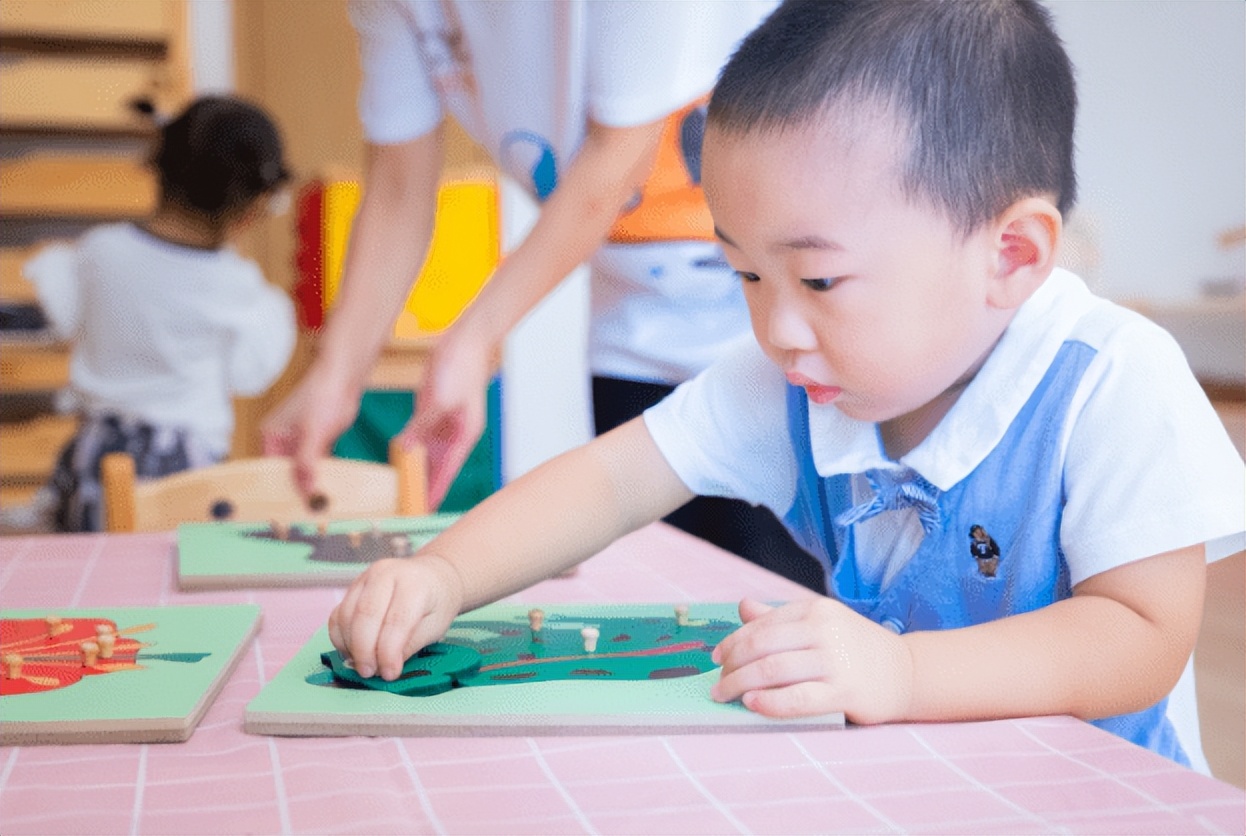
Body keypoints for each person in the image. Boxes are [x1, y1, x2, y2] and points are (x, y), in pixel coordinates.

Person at [324, 0, 1246, 772]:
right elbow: (611, 481)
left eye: (818, 280)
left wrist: (903, 674)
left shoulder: (1108, 381)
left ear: (1009, 253)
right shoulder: (797, 382)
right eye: (748, 276)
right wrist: (445, 573)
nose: (776, 327)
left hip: (1103, 799)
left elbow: (1139, 638)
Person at [260, 0, 826, 591]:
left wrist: (473, 341)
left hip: (776, 325)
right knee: (666, 596)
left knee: (780, 598)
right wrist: (336, 377)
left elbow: (618, 162)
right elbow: (399, 188)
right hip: (630, 328)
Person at [23, 96, 296, 532]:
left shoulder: (100, 251)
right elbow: (249, 376)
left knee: (94, 565)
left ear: (160, 166)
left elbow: (65, 316)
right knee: (176, 566)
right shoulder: (236, 285)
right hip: (185, 469)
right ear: (252, 208)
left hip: (95, 457)